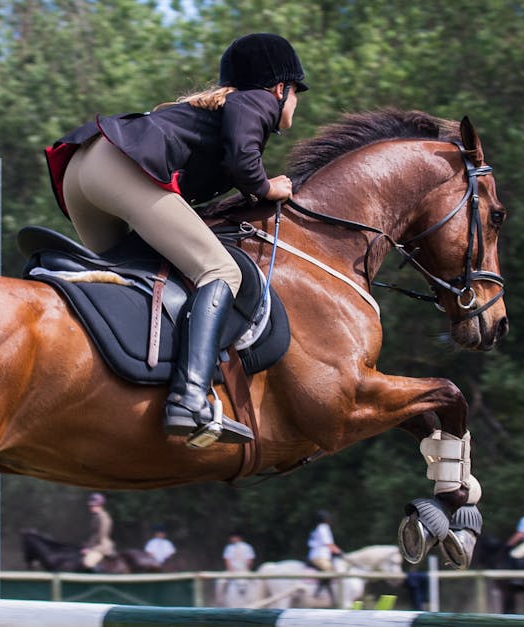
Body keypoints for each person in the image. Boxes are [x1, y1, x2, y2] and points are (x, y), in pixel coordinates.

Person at [44, 33, 308, 446]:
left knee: (127, 278)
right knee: (221, 270)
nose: (295, 104)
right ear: (280, 89)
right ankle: (189, 397)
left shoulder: (208, 111)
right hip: (118, 170)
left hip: (83, 170)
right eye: (296, 94)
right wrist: (267, 188)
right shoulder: (254, 101)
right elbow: (243, 161)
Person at [307, 510, 342, 604]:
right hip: (319, 556)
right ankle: (318, 593)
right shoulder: (323, 527)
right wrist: (339, 552)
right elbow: (328, 544)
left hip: (321, 555)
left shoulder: (318, 528)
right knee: (329, 570)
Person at [82, 493, 115, 571]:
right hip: (94, 545)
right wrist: (86, 545)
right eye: (90, 505)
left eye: (93, 505)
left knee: (87, 562)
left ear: (100, 505)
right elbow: (93, 535)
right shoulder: (95, 516)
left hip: (102, 547)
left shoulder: (103, 517)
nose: (91, 507)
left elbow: (101, 536)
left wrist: (90, 549)